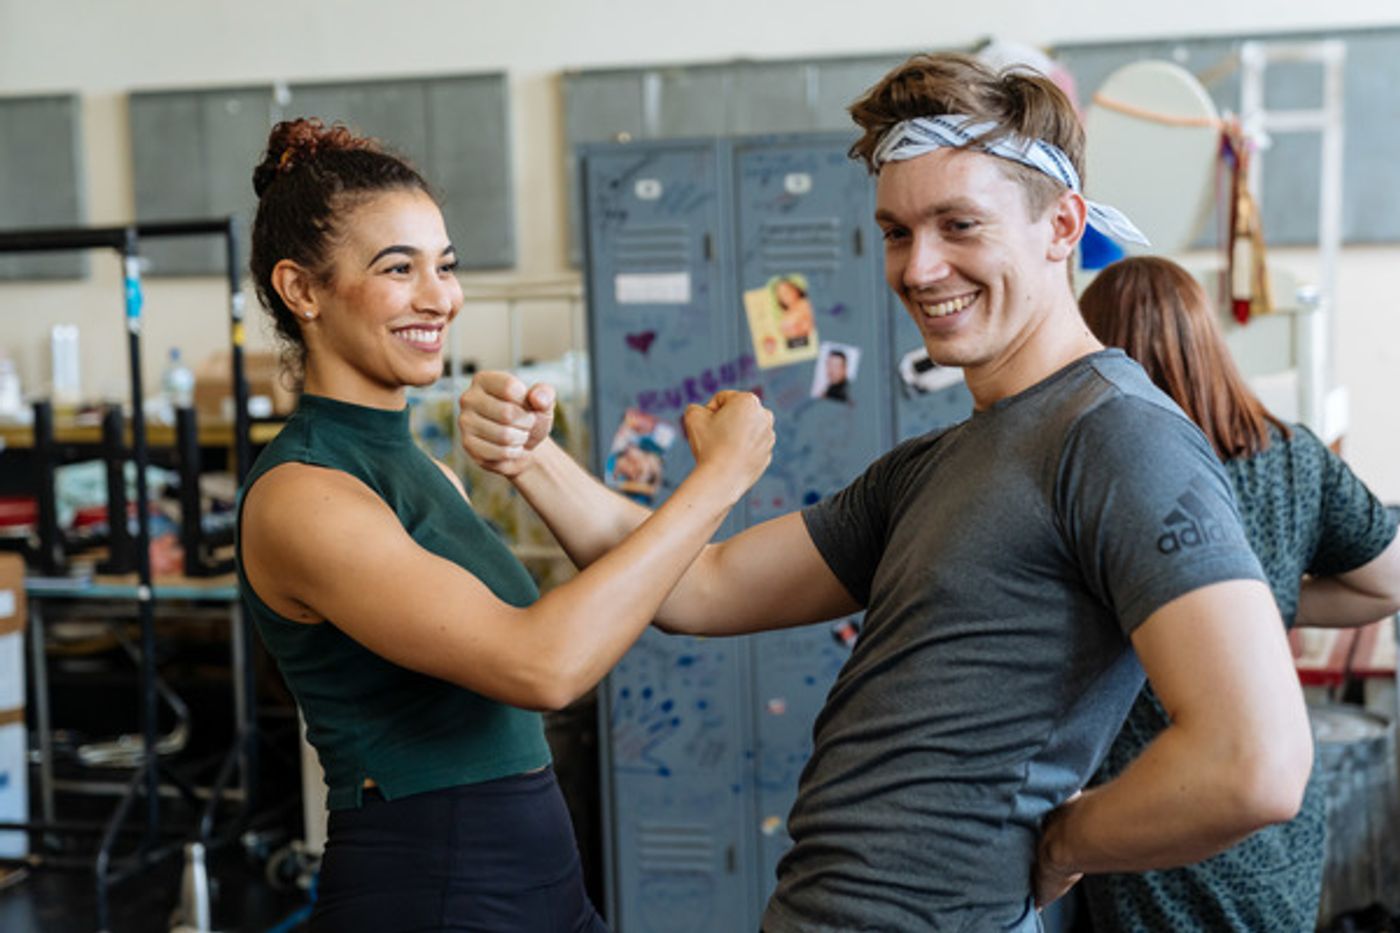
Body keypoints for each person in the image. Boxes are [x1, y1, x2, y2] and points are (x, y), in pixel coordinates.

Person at [459, 54, 1314, 931]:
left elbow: (1254, 760)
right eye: (897, 232)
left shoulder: (1117, 434)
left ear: (1063, 226)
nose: (918, 267)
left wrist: (1062, 843)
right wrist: (535, 460)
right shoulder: (932, 465)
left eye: (959, 225)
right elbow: (696, 584)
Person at [236, 118, 774, 933]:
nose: (439, 295)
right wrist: (720, 478)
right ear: (301, 290)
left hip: (538, 885)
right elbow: (543, 664)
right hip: (434, 891)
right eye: (398, 268)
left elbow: (682, 586)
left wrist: (537, 461)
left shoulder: (429, 472)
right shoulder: (302, 493)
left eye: (444, 266)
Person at [1077, 255, 1400, 932]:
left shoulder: (1108, 475)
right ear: (1208, 337)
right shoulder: (1291, 453)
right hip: (1275, 804)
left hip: (1156, 809)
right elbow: (1389, 579)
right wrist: (1272, 596)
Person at [774, 275, 815, 348]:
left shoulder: (805, 304)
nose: (785, 296)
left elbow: (810, 327)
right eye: (781, 294)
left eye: (787, 291)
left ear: (795, 290)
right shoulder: (785, 314)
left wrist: (798, 329)